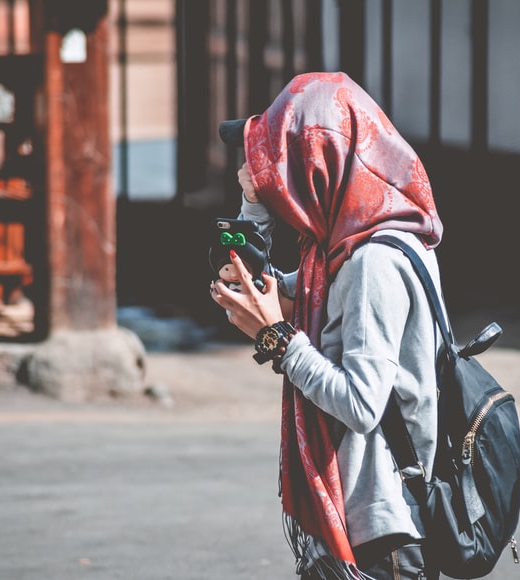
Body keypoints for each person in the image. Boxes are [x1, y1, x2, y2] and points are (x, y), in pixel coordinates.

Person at [209, 71, 444, 580]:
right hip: (362, 520)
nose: (271, 178)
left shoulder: (371, 263)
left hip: (385, 534)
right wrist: (253, 205)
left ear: (316, 167)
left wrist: (277, 337)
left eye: (278, 166)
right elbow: (263, 284)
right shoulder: (336, 249)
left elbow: (361, 404)